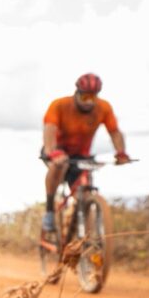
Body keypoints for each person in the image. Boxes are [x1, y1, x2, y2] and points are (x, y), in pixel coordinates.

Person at [41, 73, 130, 232]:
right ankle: (49, 211)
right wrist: (52, 152)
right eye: (85, 97)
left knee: (84, 189)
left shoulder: (103, 108)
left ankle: (81, 221)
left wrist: (121, 152)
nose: (89, 102)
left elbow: (115, 132)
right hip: (57, 150)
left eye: (92, 97)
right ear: (77, 93)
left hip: (81, 154)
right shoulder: (59, 105)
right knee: (58, 167)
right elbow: (49, 129)